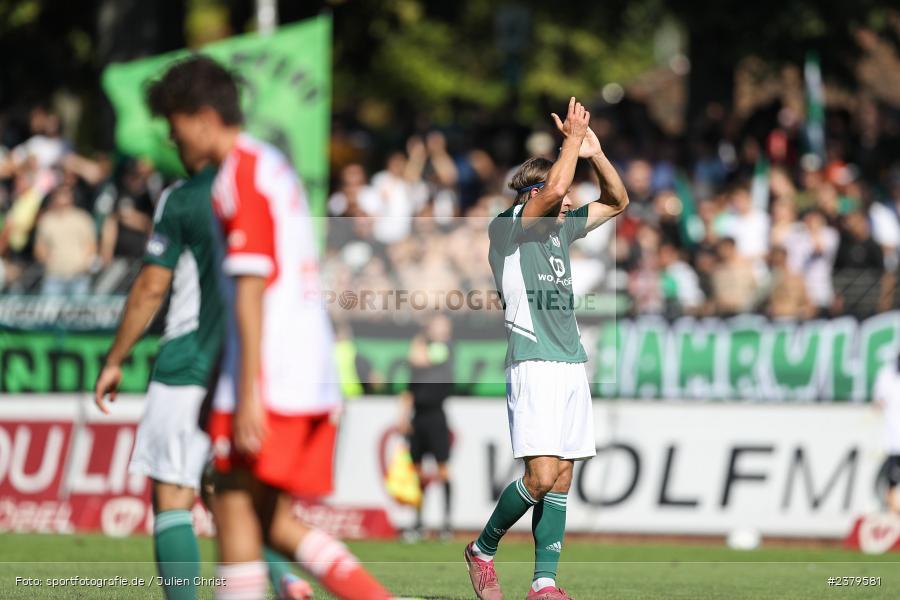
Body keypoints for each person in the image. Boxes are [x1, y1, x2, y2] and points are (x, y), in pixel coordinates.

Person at [145, 55, 391, 600]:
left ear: (204, 117)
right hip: (307, 369)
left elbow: (252, 286)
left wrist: (248, 391)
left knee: (232, 504)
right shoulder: (269, 163)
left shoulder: (239, 176)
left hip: (273, 374)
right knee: (270, 520)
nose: (171, 137)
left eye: (174, 123)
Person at [94, 162, 313, 600]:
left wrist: (115, 358)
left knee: (174, 494)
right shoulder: (273, 186)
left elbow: (151, 287)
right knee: (224, 490)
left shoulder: (186, 195)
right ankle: (284, 578)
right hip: (247, 365)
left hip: (190, 361)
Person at [466, 97, 628, 600]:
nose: (568, 200)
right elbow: (557, 184)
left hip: (570, 364)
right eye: (560, 193)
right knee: (538, 477)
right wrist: (571, 143)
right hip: (533, 362)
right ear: (534, 193)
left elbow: (619, 200)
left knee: (561, 480)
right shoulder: (509, 227)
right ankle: (483, 548)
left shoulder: (561, 229)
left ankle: (544, 584)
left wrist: (595, 153)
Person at [398, 314, 455, 541]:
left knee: (442, 471)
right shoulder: (424, 350)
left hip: (436, 416)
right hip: (418, 417)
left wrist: (421, 336)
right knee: (418, 472)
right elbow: (409, 390)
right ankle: (419, 523)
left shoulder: (445, 348)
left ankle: (446, 524)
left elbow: (417, 358)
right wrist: (402, 417)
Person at [33, 183, 96, 295]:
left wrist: (83, 264)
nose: (62, 198)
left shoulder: (82, 218)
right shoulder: (46, 220)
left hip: (78, 276)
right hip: (54, 276)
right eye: (59, 195)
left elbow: (91, 245)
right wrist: (48, 260)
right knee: (50, 310)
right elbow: (39, 247)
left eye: (65, 194)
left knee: (79, 311)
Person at [873, 356, 900, 515]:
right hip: (894, 439)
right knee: (892, 478)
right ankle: (893, 512)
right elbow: (878, 402)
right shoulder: (886, 374)